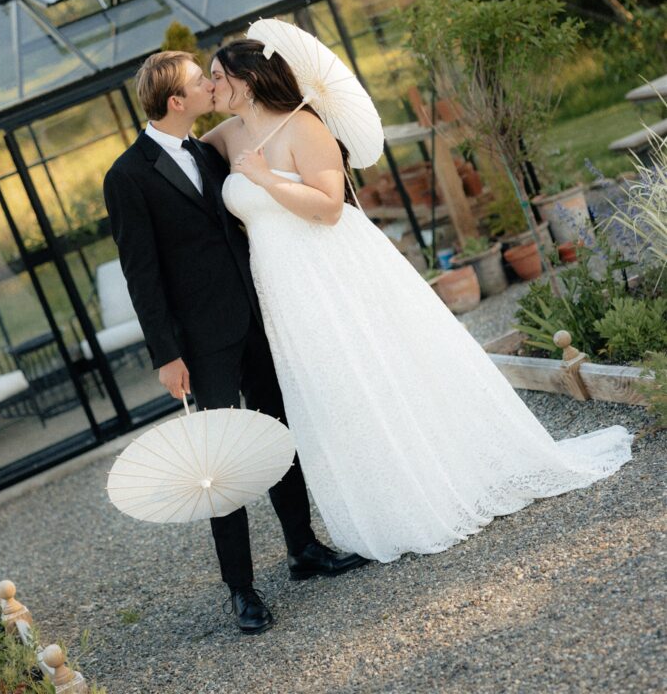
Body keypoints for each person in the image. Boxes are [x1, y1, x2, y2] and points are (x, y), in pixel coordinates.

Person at [202, 38, 634, 564]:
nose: (211, 85)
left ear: (248, 80)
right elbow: (187, 151)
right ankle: (385, 501)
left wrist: (266, 179)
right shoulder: (228, 134)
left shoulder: (304, 127)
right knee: (335, 393)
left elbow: (329, 208)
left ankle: (436, 484)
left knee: (379, 370)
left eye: (218, 76)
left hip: (330, 270)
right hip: (283, 287)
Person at [103, 51, 367, 636]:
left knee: (277, 432)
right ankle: (241, 590)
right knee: (219, 464)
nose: (211, 85)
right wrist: (166, 355)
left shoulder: (209, 150)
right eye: (201, 81)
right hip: (199, 342)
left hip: (255, 316)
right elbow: (140, 273)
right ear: (177, 101)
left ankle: (303, 548)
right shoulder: (126, 176)